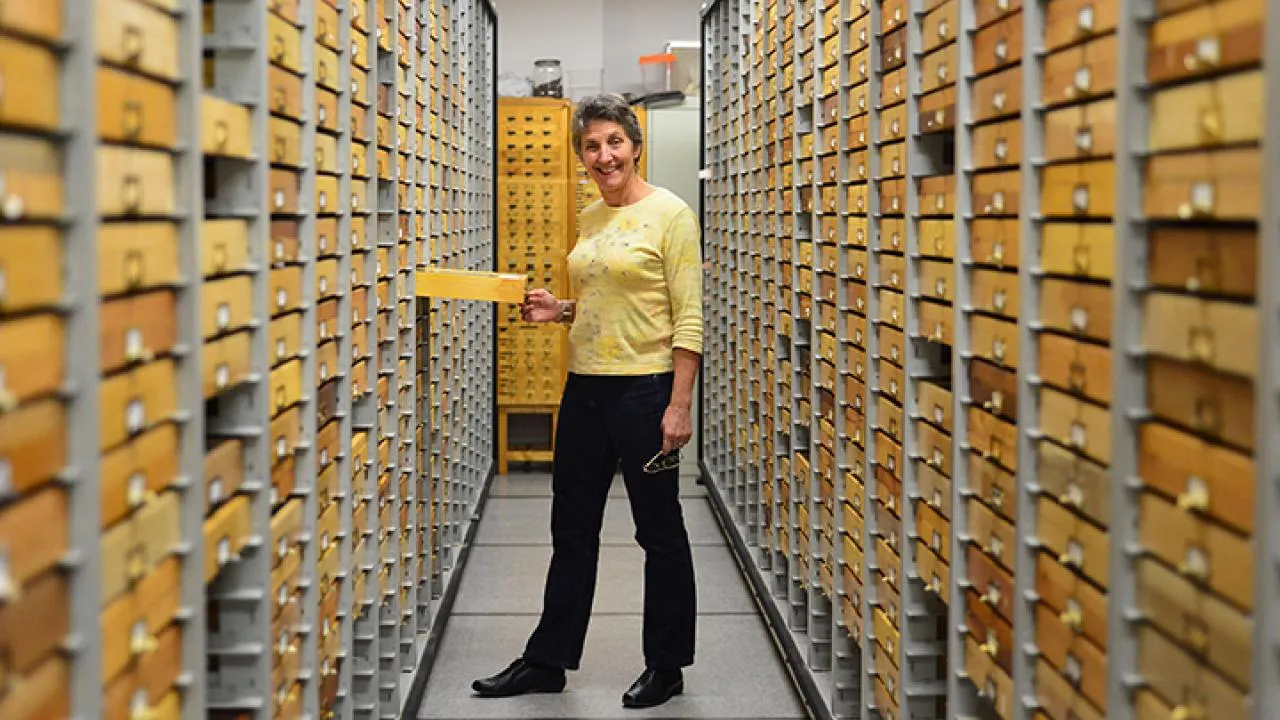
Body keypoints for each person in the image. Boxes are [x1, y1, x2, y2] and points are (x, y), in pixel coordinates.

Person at [471, 93, 704, 709]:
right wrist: (562, 310)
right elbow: (610, 299)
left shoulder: (671, 214)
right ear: (582, 156)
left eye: (614, 143)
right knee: (571, 528)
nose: (604, 156)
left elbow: (688, 320)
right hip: (585, 389)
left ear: (635, 145)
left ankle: (666, 664)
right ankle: (548, 660)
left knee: (660, 532)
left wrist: (678, 407)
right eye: (592, 146)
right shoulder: (592, 215)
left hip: (645, 389)